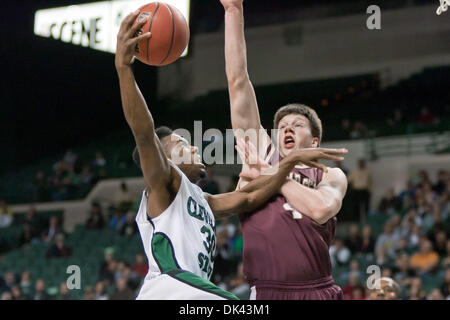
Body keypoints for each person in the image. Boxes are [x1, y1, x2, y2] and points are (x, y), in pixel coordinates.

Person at [115, 10, 347, 300]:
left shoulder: (204, 200)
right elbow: (144, 132)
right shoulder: (163, 180)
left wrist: (282, 167)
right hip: (172, 287)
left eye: (297, 125)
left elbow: (248, 198)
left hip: (202, 289)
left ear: (313, 139)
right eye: (183, 145)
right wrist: (124, 69)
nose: (195, 147)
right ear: (167, 159)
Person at [219, 0, 348, 300]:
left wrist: (269, 174)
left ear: (314, 143)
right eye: (283, 126)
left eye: (298, 125)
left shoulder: (330, 173)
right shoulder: (264, 153)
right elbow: (238, 82)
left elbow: (320, 209)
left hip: (318, 290)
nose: (288, 128)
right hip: (266, 291)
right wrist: (233, 12)